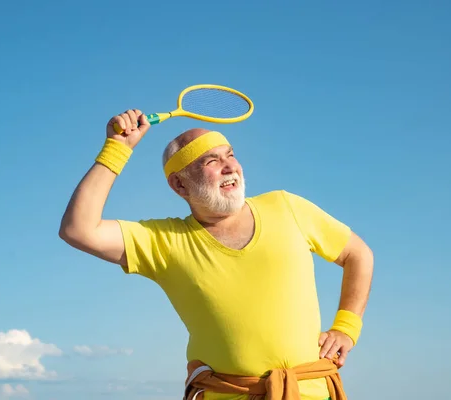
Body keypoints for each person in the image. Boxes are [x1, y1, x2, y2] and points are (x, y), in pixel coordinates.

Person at [59, 109, 374, 400]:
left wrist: (346, 328)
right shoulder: (163, 241)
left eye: (231, 155)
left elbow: (357, 254)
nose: (230, 167)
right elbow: (78, 229)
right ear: (180, 185)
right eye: (211, 161)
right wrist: (118, 148)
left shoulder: (286, 207)